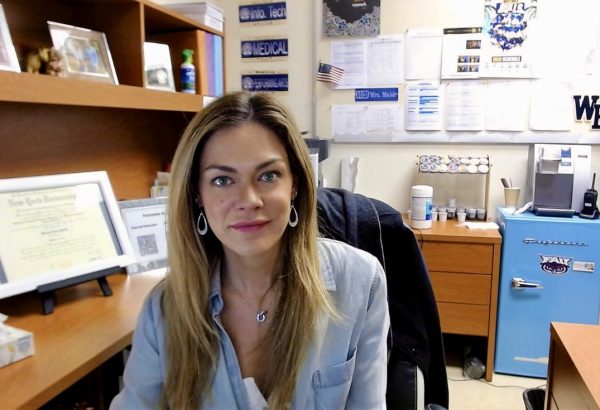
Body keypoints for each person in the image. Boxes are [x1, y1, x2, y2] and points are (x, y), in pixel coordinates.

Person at [110, 91, 390, 409]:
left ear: (294, 184)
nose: (249, 200)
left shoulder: (360, 280)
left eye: (268, 176)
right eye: (222, 180)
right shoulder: (165, 308)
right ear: (197, 194)